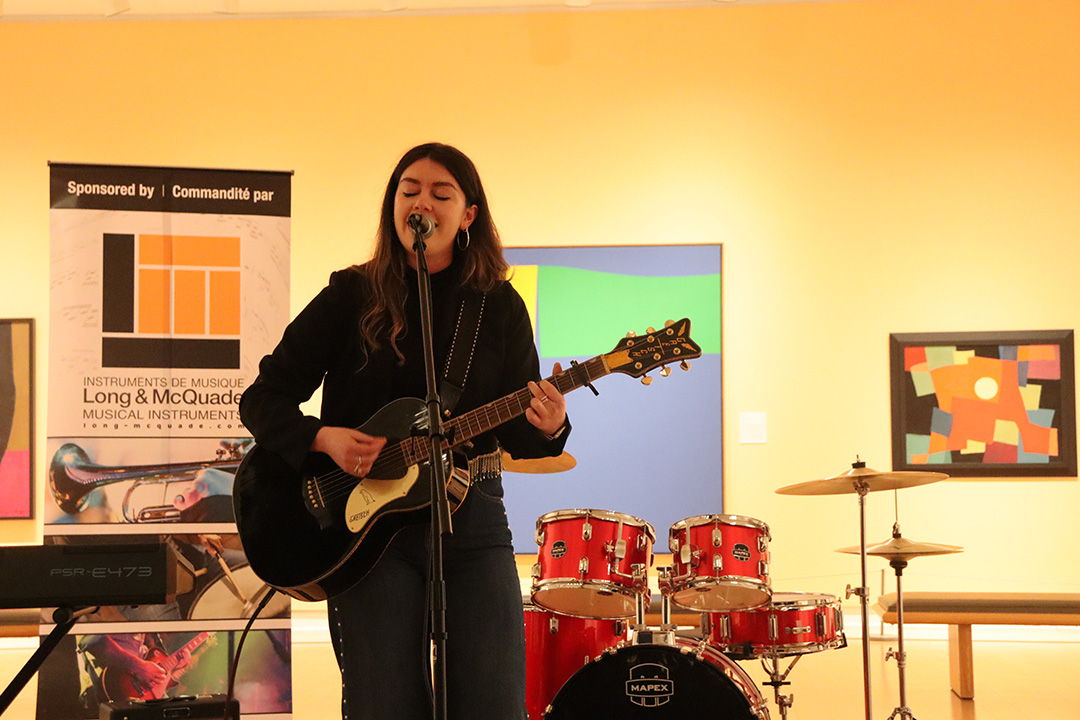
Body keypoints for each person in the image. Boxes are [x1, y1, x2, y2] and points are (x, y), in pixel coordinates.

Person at [239, 142, 570, 720]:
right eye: (409, 190)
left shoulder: (496, 306)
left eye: (442, 194)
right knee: (383, 701)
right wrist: (324, 439)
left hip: (472, 520)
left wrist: (551, 424)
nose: (422, 202)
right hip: (366, 531)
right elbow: (263, 399)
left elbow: (518, 433)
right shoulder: (351, 294)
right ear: (393, 206)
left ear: (468, 215)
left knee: (494, 701)